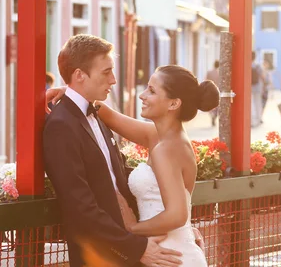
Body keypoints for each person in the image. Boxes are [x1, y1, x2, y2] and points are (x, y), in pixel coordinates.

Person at [42, 34, 185, 267]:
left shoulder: (96, 113)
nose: (114, 80)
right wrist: (135, 248)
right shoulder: (60, 125)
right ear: (79, 75)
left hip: (133, 247)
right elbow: (79, 206)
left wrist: (180, 230)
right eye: (106, 72)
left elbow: (117, 177)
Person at [250, 51, 264, 127]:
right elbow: (263, 76)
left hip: (249, 87)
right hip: (258, 87)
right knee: (258, 103)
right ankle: (259, 119)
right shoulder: (258, 66)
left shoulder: (247, 65)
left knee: (251, 104)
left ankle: (252, 121)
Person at [205, 60, 220, 126]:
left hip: (210, 90)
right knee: (216, 105)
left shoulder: (209, 72)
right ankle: (215, 115)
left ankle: (212, 115)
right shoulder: (220, 73)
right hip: (218, 91)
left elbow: (206, 81)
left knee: (210, 104)